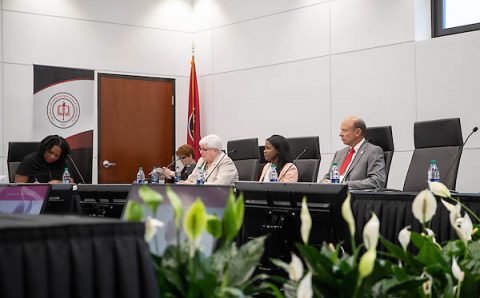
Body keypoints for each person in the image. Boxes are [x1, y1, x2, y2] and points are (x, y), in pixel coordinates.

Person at [322, 116, 385, 190]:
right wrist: (324, 181)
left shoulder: (373, 151)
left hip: (356, 197)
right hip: (334, 195)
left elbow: (376, 181)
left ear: (357, 132)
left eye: (344, 130)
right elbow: (328, 176)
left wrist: (343, 184)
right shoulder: (339, 153)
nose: (340, 134)